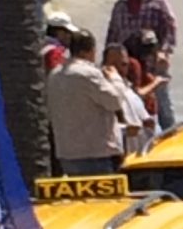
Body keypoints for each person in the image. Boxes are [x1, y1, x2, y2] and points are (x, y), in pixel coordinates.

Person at [104, 0, 178, 130]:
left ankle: (168, 133)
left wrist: (164, 52)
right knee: (131, 100)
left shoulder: (157, 2)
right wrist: (108, 58)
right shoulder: (121, 4)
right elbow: (113, 31)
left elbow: (170, 27)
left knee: (162, 102)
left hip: (152, 62)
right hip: (127, 63)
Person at [45, 30, 126, 175]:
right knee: (103, 198)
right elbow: (115, 101)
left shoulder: (55, 75)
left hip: (67, 153)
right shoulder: (89, 74)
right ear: (90, 51)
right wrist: (115, 78)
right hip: (95, 153)